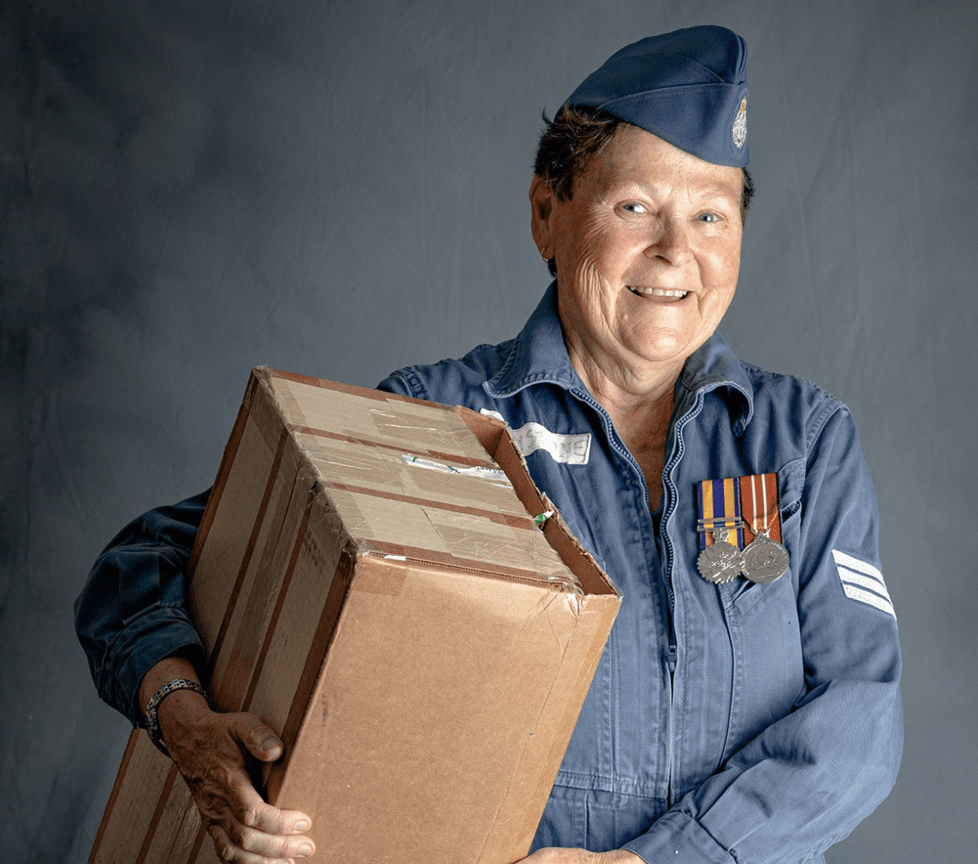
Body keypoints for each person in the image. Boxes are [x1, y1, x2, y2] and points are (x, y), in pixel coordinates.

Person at [74, 25, 902, 864]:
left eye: (710, 215)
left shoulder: (800, 444)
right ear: (548, 212)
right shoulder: (443, 424)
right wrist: (182, 716)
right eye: (636, 207)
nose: (676, 252)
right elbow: (143, 564)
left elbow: (861, 718)